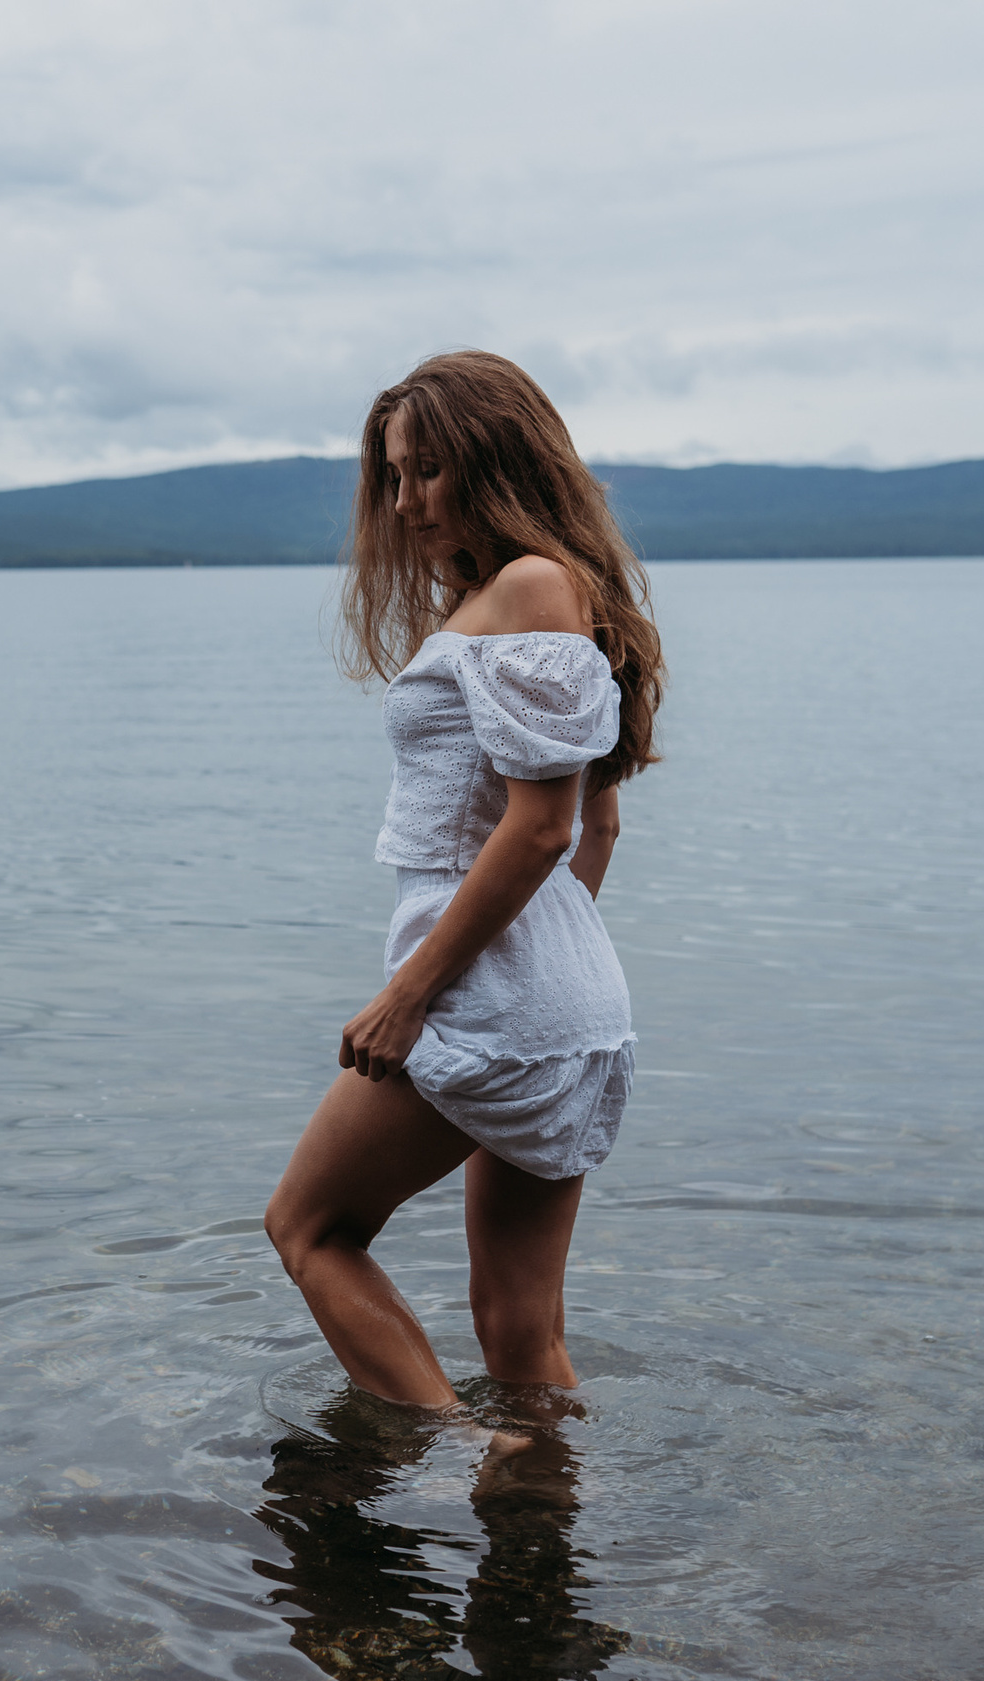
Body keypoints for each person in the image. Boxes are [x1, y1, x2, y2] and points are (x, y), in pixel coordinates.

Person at [265, 349, 664, 1419]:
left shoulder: (529, 587)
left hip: (486, 992)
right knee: (519, 1333)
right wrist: (548, 972)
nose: (403, 503)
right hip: (552, 990)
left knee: (307, 1227)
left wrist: (412, 995)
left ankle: (448, 1462)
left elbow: (543, 830)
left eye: (427, 470)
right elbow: (598, 826)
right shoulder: (528, 593)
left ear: (498, 458)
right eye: (394, 477)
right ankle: (536, 1500)